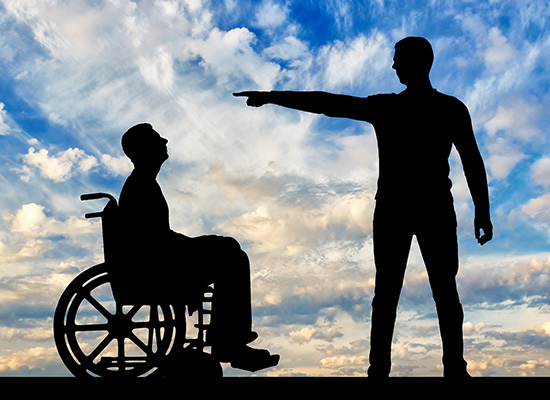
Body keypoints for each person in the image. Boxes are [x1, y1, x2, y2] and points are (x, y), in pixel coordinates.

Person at [234, 36, 493, 378]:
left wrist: (483, 210)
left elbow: (329, 103)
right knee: (422, 291)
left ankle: (406, 370)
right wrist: (482, 211)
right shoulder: (442, 107)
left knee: (404, 292)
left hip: (407, 209)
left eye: (398, 58)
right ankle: (429, 370)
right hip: (419, 208)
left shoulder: (408, 107)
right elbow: (328, 103)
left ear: (417, 62)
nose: (393, 65)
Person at [116, 122, 279, 372]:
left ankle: (228, 341)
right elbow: (154, 242)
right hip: (157, 266)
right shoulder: (140, 186)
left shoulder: (142, 184)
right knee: (231, 256)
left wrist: (194, 243)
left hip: (160, 259)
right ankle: (228, 343)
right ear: (144, 149)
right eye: (157, 138)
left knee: (230, 249)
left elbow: (158, 237)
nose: (165, 141)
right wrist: (194, 244)